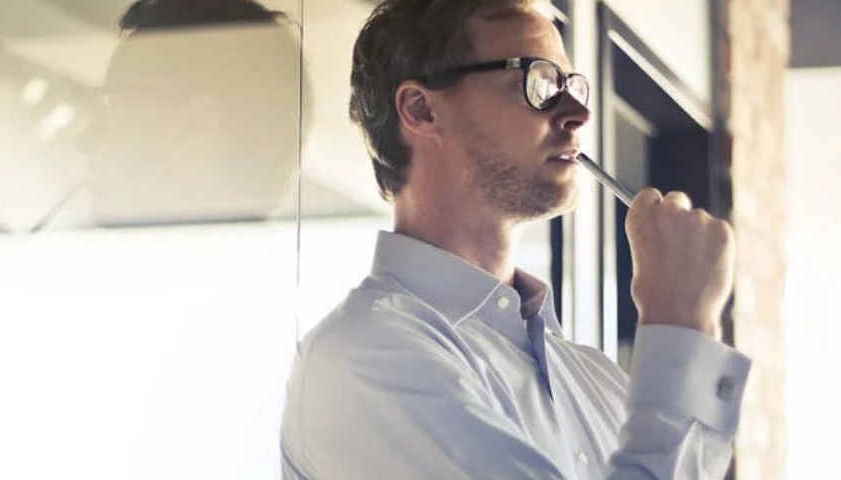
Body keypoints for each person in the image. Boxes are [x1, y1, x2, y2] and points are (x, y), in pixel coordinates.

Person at [280, 1, 750, 479]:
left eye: (572, 84)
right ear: (421, 109)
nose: (580, 113)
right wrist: (681, 325)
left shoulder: (596, 379)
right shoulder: (362, 357)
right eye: (539, 80)